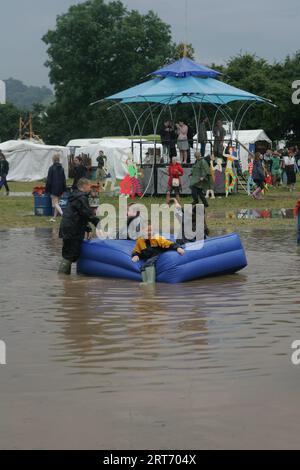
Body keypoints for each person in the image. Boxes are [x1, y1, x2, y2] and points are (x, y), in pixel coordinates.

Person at [58, 178, 100, 274]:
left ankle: (65, 279)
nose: (90, 189)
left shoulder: (74, 196)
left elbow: (79, 215)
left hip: (67, 228)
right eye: (89, 186)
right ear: (84, 186)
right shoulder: (81, 198)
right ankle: (62, 277)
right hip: (73, 230)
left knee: (67, 253)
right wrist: (99, 224)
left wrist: (87, 228)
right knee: (71, 254)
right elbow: (88, 214)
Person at [45, 154, 67, 222]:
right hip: (60, 188)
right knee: (57, 203)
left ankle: (64, 216)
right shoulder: (62, 168)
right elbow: (64, 179)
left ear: (53, 160)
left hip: (53, 188)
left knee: (55, 204)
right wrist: (64, 189)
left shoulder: (51, 168)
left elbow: (49, 180)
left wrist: (47, 189)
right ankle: (54, 217)